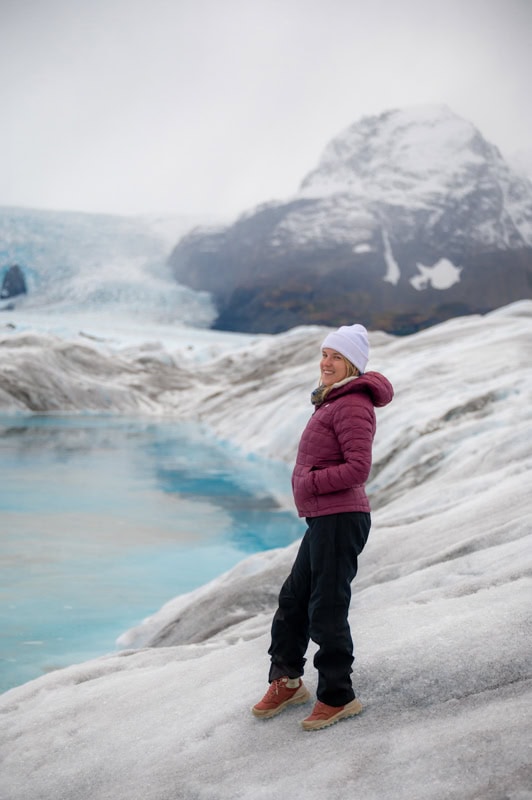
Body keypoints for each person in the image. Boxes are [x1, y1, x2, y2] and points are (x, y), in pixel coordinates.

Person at [252, 323, 394, 731]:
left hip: (341, 518)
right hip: (324, 518)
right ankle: (288, 681)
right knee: (294, 599)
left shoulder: (352, 404)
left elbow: (358, 468)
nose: (326, 362)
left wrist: (309, 482)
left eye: (335, 356)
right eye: (324, 354)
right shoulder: (331, 401)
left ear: (352, 363)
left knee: (326, 609)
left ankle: (337, 696)